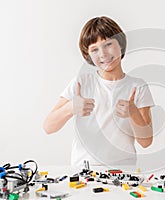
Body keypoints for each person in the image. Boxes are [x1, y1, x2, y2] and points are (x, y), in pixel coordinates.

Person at [43, 16, 154, 167]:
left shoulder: (138, 87)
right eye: (94, 49)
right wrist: (70, 108)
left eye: (108, 44)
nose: (103, 54)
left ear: (120, 44)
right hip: (84, 169)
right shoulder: (81, 83)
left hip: (124, 170)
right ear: (88, 55)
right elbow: (48, 127)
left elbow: (146, 142)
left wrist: (133, 112)